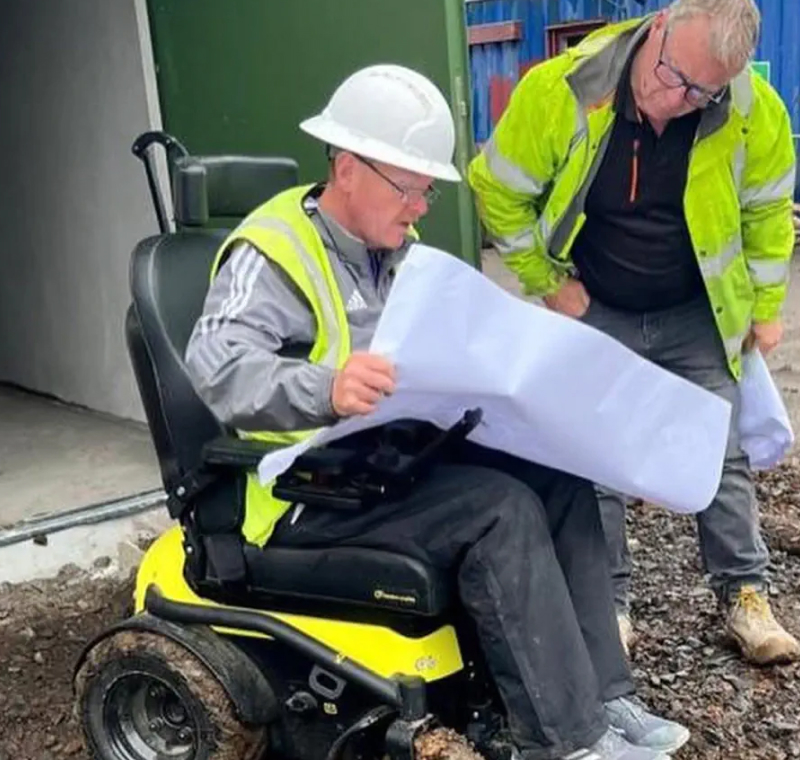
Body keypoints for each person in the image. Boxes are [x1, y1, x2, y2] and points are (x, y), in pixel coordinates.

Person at [185, 64, 688, 760]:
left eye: (427, 189)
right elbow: (215, 364)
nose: (420, 207)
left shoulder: (401, 253)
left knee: (562, 479)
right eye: (410, 187)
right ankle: (564, 741)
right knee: (499, 510)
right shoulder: (270, 250)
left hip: (382, 464)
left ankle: (604, 697)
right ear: (348, 168)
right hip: (304, 492)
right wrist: (326, 388)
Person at [468, 0, 799, 666]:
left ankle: (745, 594)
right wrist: (546, 280)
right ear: (660, 26)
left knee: (720, 451)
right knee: (597, 461)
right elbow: (497, 189)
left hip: (696, 310)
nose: (677, 100)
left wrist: (766, 306)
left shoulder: (751, 109)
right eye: (672, 76)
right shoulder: (563, 90)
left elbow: (767, 214)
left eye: (701, 92)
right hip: (599, 306)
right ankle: (608, 604)